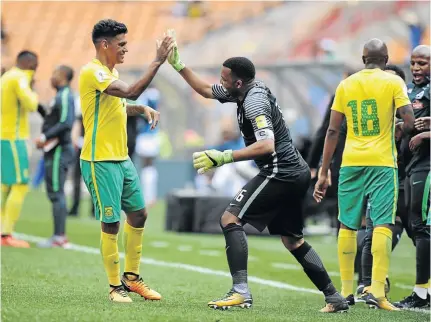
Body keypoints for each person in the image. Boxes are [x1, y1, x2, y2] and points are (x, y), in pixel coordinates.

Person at [167, 32, 348, 313]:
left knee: (229, 218)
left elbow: (266, 145)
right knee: (293, 240)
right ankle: (333, 297)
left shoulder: (253, 102)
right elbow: (205, 89)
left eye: (225, 79)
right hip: (292, 170)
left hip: (281, 170)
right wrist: (178, 65)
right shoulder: (243, 89)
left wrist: (223, 156)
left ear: (238, 82)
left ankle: (240, 291)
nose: (221, 83)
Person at [313, 38, 415, 311]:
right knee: (382, 224)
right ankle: (378, 292)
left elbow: (332, 131)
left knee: (347, 225)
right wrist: (397, 131)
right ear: (386, 59)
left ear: (362, 59)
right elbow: (409, 120)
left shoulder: (346, 85)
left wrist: (323, 172)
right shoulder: (394, 83)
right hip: (382, 163)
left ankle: (345, 294)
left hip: (350, 163)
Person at [78, 19, 173, 303]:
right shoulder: (92, 72)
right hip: (100, 160)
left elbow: (120, 105)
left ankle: (131, 280)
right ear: (104, 45)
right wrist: (157, 61)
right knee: (111, 222)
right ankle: (114, 287)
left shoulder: (110, 72)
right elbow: (129, 91)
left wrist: (140, 108)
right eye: (121, 45)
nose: (125, 50)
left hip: (121, 158)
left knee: (139, 214)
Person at [358, 64, 411, 300]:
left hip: (414, 182)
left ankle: (423, 288)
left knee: (421, 234)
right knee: (372, 233)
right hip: (384, 183)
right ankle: (368, 283)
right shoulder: (371, 119)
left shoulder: (415, 115)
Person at [394, 45, 431, 310]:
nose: (416, 68)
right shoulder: (408, 90)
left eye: (423, 63)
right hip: (411, 165)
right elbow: (406, 122)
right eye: (413, 63)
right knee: (414, 224)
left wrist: (425, 134)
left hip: (427, 166)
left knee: (421, 226)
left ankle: (421, 294)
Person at [34, 65, 76, 248]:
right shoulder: (58, 96)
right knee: (53, 192)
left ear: (63, 76)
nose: (51, 77)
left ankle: (59, 237)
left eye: (54, 74)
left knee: (57, 193)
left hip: (60, 148)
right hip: (53, 149)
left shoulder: (66, 95)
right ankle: (58, 235)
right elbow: (52, 118)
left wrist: (45, 136)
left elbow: (66, 123)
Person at [1, 50, 39, 248]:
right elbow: (32, 103)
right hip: (14, 139)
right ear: (30, 63)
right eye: (35, 66)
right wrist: (30, 80)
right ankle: (6, 234)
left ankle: (3, 231)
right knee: (20, 184)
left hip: (4, 137)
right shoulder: (19, 77)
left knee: (5, 185)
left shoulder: (7, 76)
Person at [135, 85, 161, 207]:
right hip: (153, 135)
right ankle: (150, 196)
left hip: (146, 135)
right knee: (150, 166)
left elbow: (142, 112)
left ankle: (148, 196)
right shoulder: (156, 95)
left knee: (146, 165)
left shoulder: (147, 95)